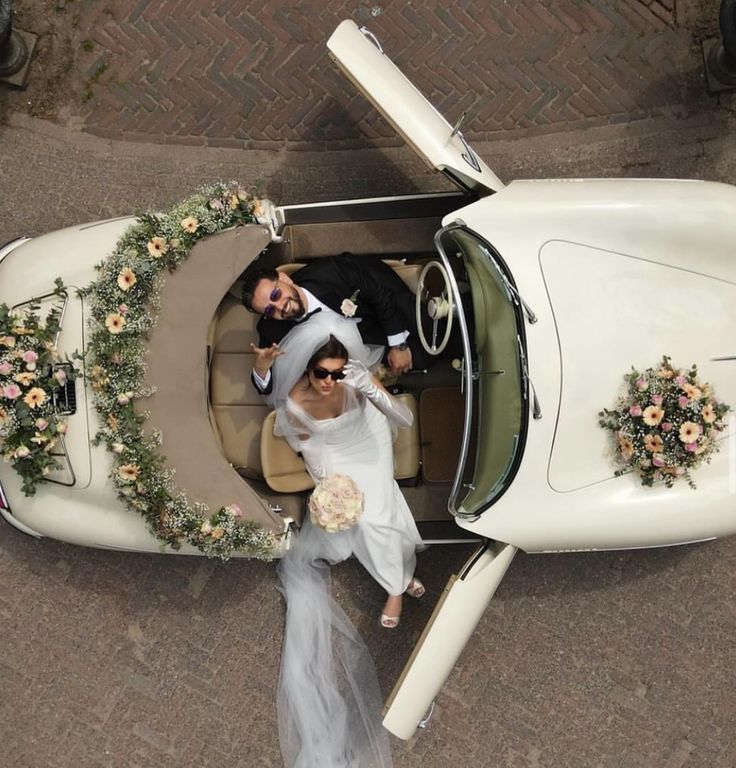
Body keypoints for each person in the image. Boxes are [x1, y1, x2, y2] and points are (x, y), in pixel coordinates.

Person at [272, 312, 424, 768]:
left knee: (375, 519)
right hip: (337, 457)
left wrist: (371, 388)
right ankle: (402, 575)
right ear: (307, 370)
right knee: (356, 519)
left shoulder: (357, 384)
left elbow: (403, 419)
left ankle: (396, 590)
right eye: (322, 373)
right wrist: (327, 483)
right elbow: (307, 446)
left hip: (369, 442)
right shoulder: (295, 401)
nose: (329, 382)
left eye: (337, 373)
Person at [241, 253, 428, 395]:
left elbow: (380, 294)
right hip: (353, 370)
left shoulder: (331, 272)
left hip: (386, 317)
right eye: (269, 310)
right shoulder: (271, 329)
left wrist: (398, 345)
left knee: (431, 335)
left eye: (276, 295)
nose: (280, 306)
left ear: (284, 279)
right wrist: (261, 367)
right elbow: (267, 387)